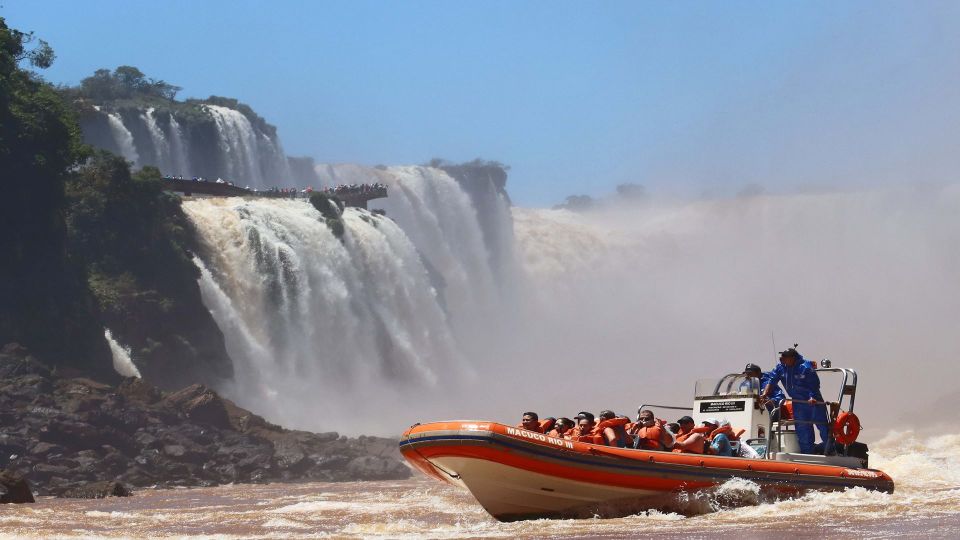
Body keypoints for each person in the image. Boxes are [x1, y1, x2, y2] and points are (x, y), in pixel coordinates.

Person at [761, 346, 830, 454]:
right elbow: (772, 380)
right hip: (798, 403)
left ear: (792, 358)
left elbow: (814, 384)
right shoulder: (781, 367)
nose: (781, 359)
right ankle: (807, 453)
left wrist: (812, 397)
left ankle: (829, 450)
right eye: (781, 357)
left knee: (822, 427)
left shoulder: (805, 366)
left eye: (784, 357)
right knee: (802, 428)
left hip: (813, 402)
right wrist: (765, 394)